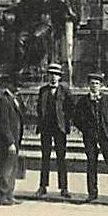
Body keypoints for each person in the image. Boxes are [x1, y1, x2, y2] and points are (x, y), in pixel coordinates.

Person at [73, 72, 108, 203]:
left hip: (105, 136)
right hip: (90, 137)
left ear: (101, 85)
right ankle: (92, 193)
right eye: (92, 83)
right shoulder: (83, 102)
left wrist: (106, 127)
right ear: (88, 85)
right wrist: (86, 130)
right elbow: (76, 119)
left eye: (97, 83)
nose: (94, 86)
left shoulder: (107, 100)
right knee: (91, 164)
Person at [36, 63, 74, 199]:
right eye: (51, 74)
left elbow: (70, 108)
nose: (53, 77)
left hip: (60, 128)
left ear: (59, 77)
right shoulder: (43, 90)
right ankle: (42, 186)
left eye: (56, 75)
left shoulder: (65, 90)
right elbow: (39, 108)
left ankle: (64, 187)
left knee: (61, 158)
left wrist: (66, 123)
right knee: (45, 157)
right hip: (46, 128)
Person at [0, 71, 24, 206]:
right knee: (4, 168)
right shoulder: (4, 101)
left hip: (14, 140)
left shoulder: (15, 99)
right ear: (9, 86)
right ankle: (1, 196)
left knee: (12, 168)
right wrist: (10, 142)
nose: (19, 88)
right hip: (6, 142)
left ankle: (9, 195)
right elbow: (3, 123)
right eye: (16, 86)